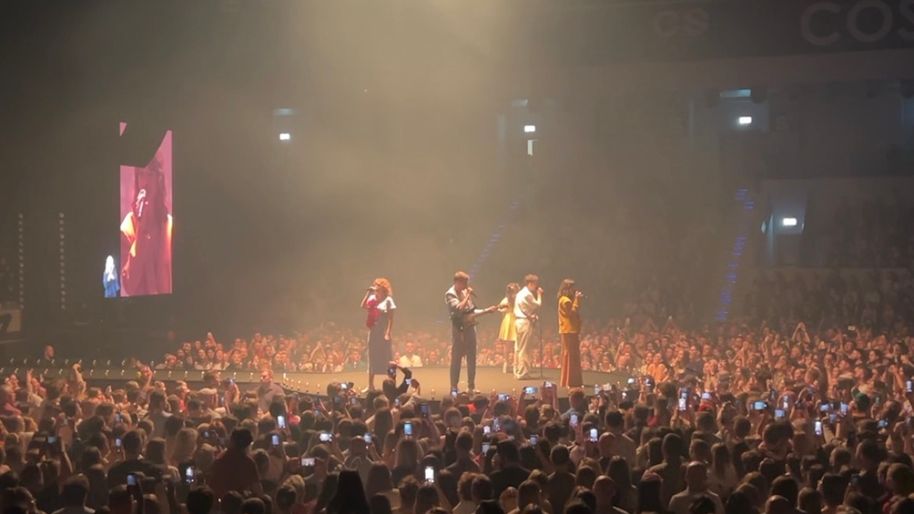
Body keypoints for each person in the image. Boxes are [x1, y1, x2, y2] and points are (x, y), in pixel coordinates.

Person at [445, 271, 496, 392]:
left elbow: (471, 312)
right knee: (456, 358)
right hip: (459, 330)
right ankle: (454, 386)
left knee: (471, 358)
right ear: (457, 282)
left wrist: (487, 310)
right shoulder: (450, 294)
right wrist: (468, 295)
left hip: (470, 327)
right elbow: (459, 308)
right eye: (464, 283)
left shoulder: (464, 292)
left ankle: (471, 386)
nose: (466, 286)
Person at [361, 278, 396, 391]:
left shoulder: (388, 300)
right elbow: (363, 306)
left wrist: (388, 332)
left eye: (378, 288)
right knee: (372, 357)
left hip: (383, 330)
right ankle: (370, 385)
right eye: (375, 287)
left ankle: (392, 383)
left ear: (383, 289)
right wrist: (368, 293)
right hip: (374, 330)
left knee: (387, 357)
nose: (376, 290)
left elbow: (391, 318)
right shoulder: (372, 298)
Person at [209, 428, 261, 498]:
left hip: (220, 501)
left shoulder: (220, 459)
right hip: (240, 501)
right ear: (248, 445)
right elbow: (257, 489)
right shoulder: (248, 463)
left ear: (232, 441)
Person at [513, 274, 543, 380]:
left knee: (518, 347)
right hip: (525, 322)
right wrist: (539, 294)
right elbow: (538, 304)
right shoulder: (527, 294)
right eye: (535, 284)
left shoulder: (519, 293)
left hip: (518, 321)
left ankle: (517, 371)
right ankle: (523, 373)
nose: (536, 287)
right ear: (530, 283)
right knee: (524, 348)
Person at [557, 279, 584, 387]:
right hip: (569, 331)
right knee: (570, 355)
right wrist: (577, 300)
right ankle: (570, 381)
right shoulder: (565, 301)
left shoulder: (565, 300)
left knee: (572, 355)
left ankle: (572, 380)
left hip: (570, 330)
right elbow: (571, 312)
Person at [496, 283, 520, 374]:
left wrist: (505, 311)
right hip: (515, 319)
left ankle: (506, 364)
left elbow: (499, 308)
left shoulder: (505, 299)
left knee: (507, 345)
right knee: (516, 345)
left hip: (508, 319)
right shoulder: (517, 299)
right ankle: (514, 365)